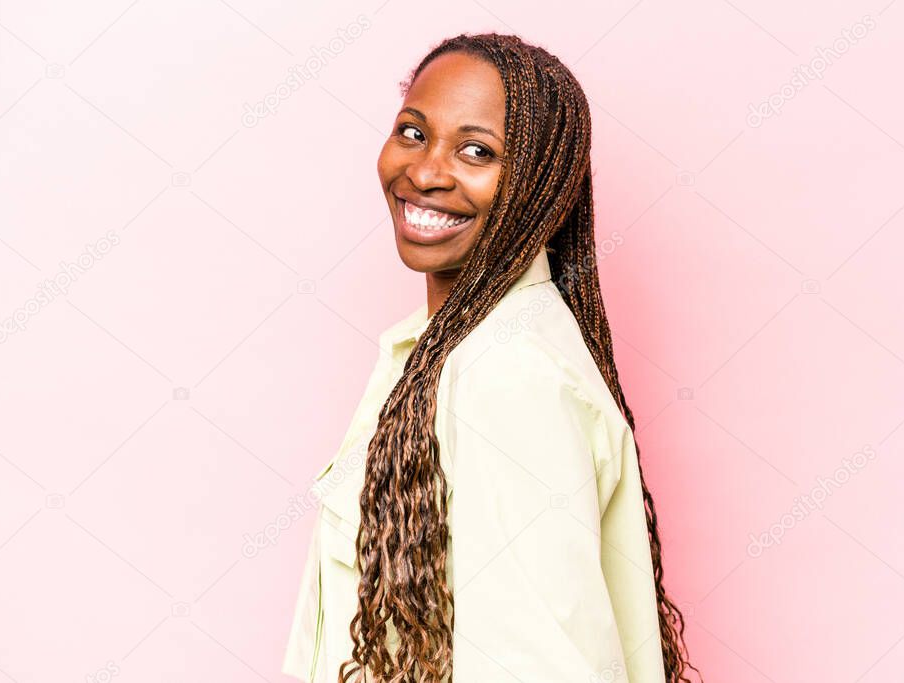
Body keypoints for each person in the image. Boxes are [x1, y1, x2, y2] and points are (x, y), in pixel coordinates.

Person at [282, 32, 702, 683]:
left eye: (477, 151)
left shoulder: (504, 376)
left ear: (541, 183)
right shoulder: (445, 353)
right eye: (414, 132)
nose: (424, 172)